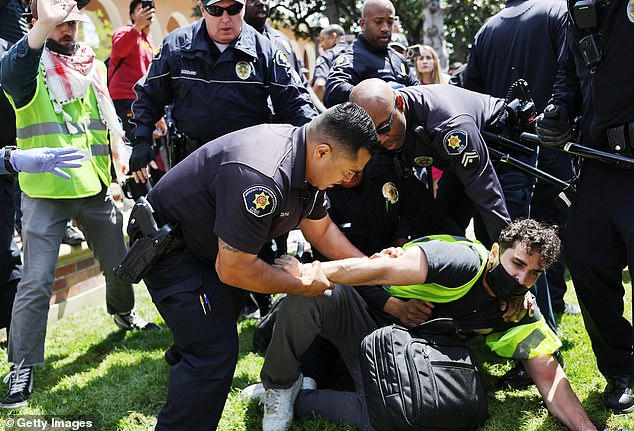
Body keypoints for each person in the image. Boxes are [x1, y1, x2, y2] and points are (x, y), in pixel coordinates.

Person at [138, 102, 379, 430]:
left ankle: (188, 342)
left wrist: (371, 270)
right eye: (349, 170)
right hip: (174, 251)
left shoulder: (309, 164)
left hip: (213, 248)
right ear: (323, 152)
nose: (350, 179)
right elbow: (234, 269)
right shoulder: (262, 174)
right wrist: (300, 284)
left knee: (218, 318)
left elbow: (320, 229)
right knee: (213, 355)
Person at [255, 219, 610, 431]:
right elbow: (376, 270)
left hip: (401, 360)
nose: (520, 278)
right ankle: (278, 387)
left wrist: (586, 428)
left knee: (389, 418)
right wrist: (311, 271)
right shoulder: (460, 261)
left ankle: (301, 398)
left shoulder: (516, 309)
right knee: (311, 292)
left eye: (533, 274)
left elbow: (549, 377)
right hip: (365, 322)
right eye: (517, 263)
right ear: (494, 250)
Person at [0, 0, 158, 410]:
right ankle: (21, 365)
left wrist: (114, 171)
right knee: (35, 282)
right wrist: (40, 30)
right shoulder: (27, 64)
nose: (67, 29)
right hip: (44, 192)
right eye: (58, 22)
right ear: (38, 23)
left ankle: (121, 313)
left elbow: (101, 126)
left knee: (120, 264)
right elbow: (10, 71)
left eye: (72, 22)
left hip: (93, 188)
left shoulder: (94, 66)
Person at [461, 0, 576, 387]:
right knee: (541, 256)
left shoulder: (486, 28)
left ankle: (544, 332)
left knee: (521, 257)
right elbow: (572, 74)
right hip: (548, 154)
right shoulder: (559, 12)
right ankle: (538, 348)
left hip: (498, 161)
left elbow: (469, 93)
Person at [535, 0, 634, 415]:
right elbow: (568, 72)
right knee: (588, 264)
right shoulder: (579, 6)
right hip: (594, 164)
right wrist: (560, 107)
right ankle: (621, 371)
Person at [129, 0, 317, 181]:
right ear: (202, 8)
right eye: (216, 11)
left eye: (233, 9)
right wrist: (140, 141)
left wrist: (317, 142)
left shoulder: (265, 50)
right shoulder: (176, 46)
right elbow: (150, 96)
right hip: (190, 164)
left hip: (248, 165)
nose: (226, 18)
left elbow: (296, 103)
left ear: (243, 5)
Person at [349, 78, 511, 245]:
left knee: (501, 236)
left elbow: (486, 192)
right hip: (454, 163)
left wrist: (508, 254)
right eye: (373, 135)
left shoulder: (449, 125)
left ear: (400, 103)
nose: (381, 140)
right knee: (444, 237)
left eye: (384, 129)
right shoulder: (383, 118)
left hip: (503, 152)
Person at [323, 0, 418, 107]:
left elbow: (418, 92)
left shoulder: (398, 58)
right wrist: (378, 94)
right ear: (363, 24)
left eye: (390, 22)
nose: (385, 28)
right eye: (378, 22)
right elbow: (333, 91)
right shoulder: (352, 58)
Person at [243, 0, 326, 113]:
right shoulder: (233, 40)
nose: (261, 3)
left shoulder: (281, 40)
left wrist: (323, 113)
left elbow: (301, 85)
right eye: (252, 0)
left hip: (286, 124)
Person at [108, 0, 166, 141]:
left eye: (149, 10)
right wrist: (137, 27)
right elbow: (120, 49)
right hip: (124, 100)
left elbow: (153, 79)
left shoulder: (150, 44)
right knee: (128, 147)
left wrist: (159, 114)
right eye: (141, 9)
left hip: (142, 102)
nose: (146, 12)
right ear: (132, 14)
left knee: (142, 148)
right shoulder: (124, 31)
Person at [310, 24, 346, 102]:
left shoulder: (327, 56)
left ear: (333, 37)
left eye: (323, 39)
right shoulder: (356, 53)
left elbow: (320, 85)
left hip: (334, 110)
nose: (321, 45)